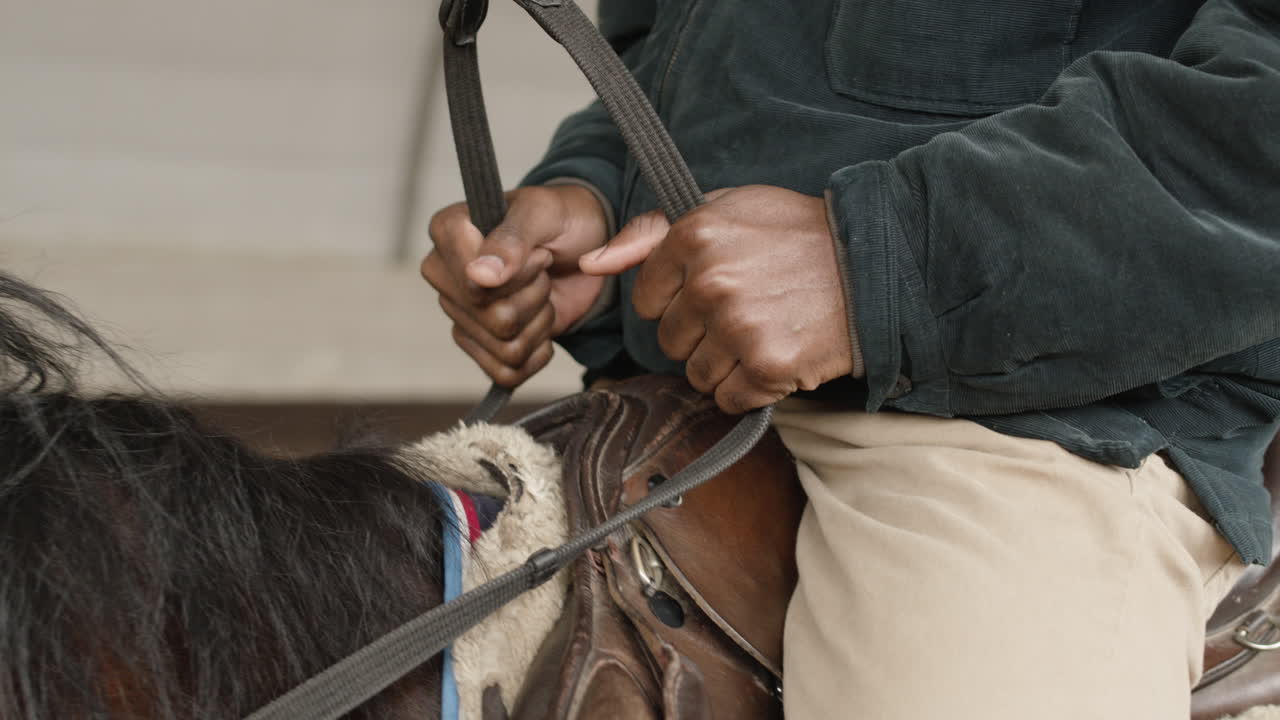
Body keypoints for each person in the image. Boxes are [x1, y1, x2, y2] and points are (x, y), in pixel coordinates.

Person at [421, 1, 1280, 717]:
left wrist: (875, 262)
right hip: (678, 400)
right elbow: (683, 43)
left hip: (1028, 416)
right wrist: (606, 193)